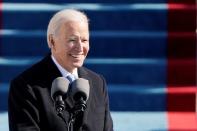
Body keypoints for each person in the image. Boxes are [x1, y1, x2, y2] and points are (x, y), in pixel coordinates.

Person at [8, 9, 113, 131]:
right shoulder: (25, 86)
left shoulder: (98, 83)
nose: (80, 48)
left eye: (84, 40)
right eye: (72, 40)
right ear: (52, 41)